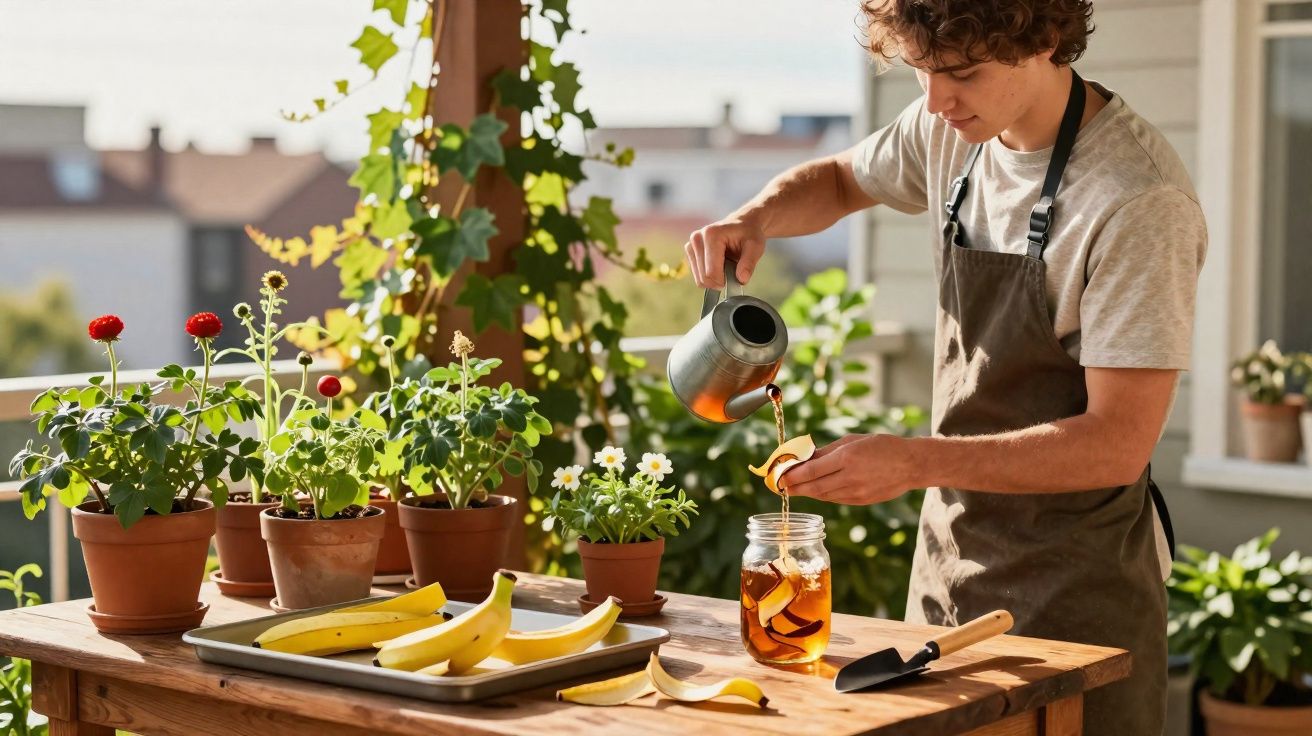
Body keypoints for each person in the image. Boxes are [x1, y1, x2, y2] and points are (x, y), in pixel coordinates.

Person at [683, 1, 1206, 733]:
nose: (934, 101)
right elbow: (839, 180)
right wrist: (756, 217)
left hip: (1078, 594)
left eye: (961, 73)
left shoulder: (1136, 199)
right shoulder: (950, 128)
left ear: (1046, 39)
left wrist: (909, 462)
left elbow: (1118, 441)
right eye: (922, 71)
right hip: (946, 575)